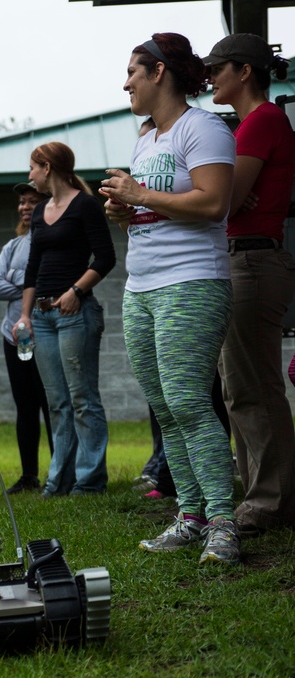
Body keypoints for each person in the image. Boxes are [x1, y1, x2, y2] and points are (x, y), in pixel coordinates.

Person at [101, 32, 239, 565]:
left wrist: (139, 193)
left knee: (187, 401)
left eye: (132, 72)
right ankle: (190, 516)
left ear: (159, 72)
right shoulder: (146, 140)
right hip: (141, 287)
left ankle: (222, 523)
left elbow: (213, 203)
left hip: (192, 281)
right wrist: (126, 212)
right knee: (164, 407)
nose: (126, 83)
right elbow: (156, 209)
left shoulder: (203, 128)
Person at [204, 34, 295, 538]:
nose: (210, 77)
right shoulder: (249, 125)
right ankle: (261, 494)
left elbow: (224, 201)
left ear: (244, 71)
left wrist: (212, 191)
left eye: (217, 68)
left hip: (253, 261)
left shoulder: (262, 121)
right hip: (243, 260)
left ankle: (271, 501)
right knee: (240, 388)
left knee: (253, 387)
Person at [13, 142, 116, 497]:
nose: (30, 175)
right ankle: (60, 481)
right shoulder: (40, 211)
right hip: (41, 318)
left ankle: (90, 481)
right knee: (57, 403)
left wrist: (76, 291)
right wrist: (24, 316)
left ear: (47, 167)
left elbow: (105, 257)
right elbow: (32, 268)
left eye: (32, 167)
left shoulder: (85, 205)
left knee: (82, 399)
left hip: (75, 313)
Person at [0, 181, 54, 494]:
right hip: (13, 337)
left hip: (47, 334)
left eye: (32, 201)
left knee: (52, 404)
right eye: (22, 202)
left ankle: (60, 470)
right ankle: (29, 476)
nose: (24, 207)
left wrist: (21, 281)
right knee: (25, 407)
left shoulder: (52, 240)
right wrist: (29, 284)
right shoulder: (13, 246)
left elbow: (50, 283)